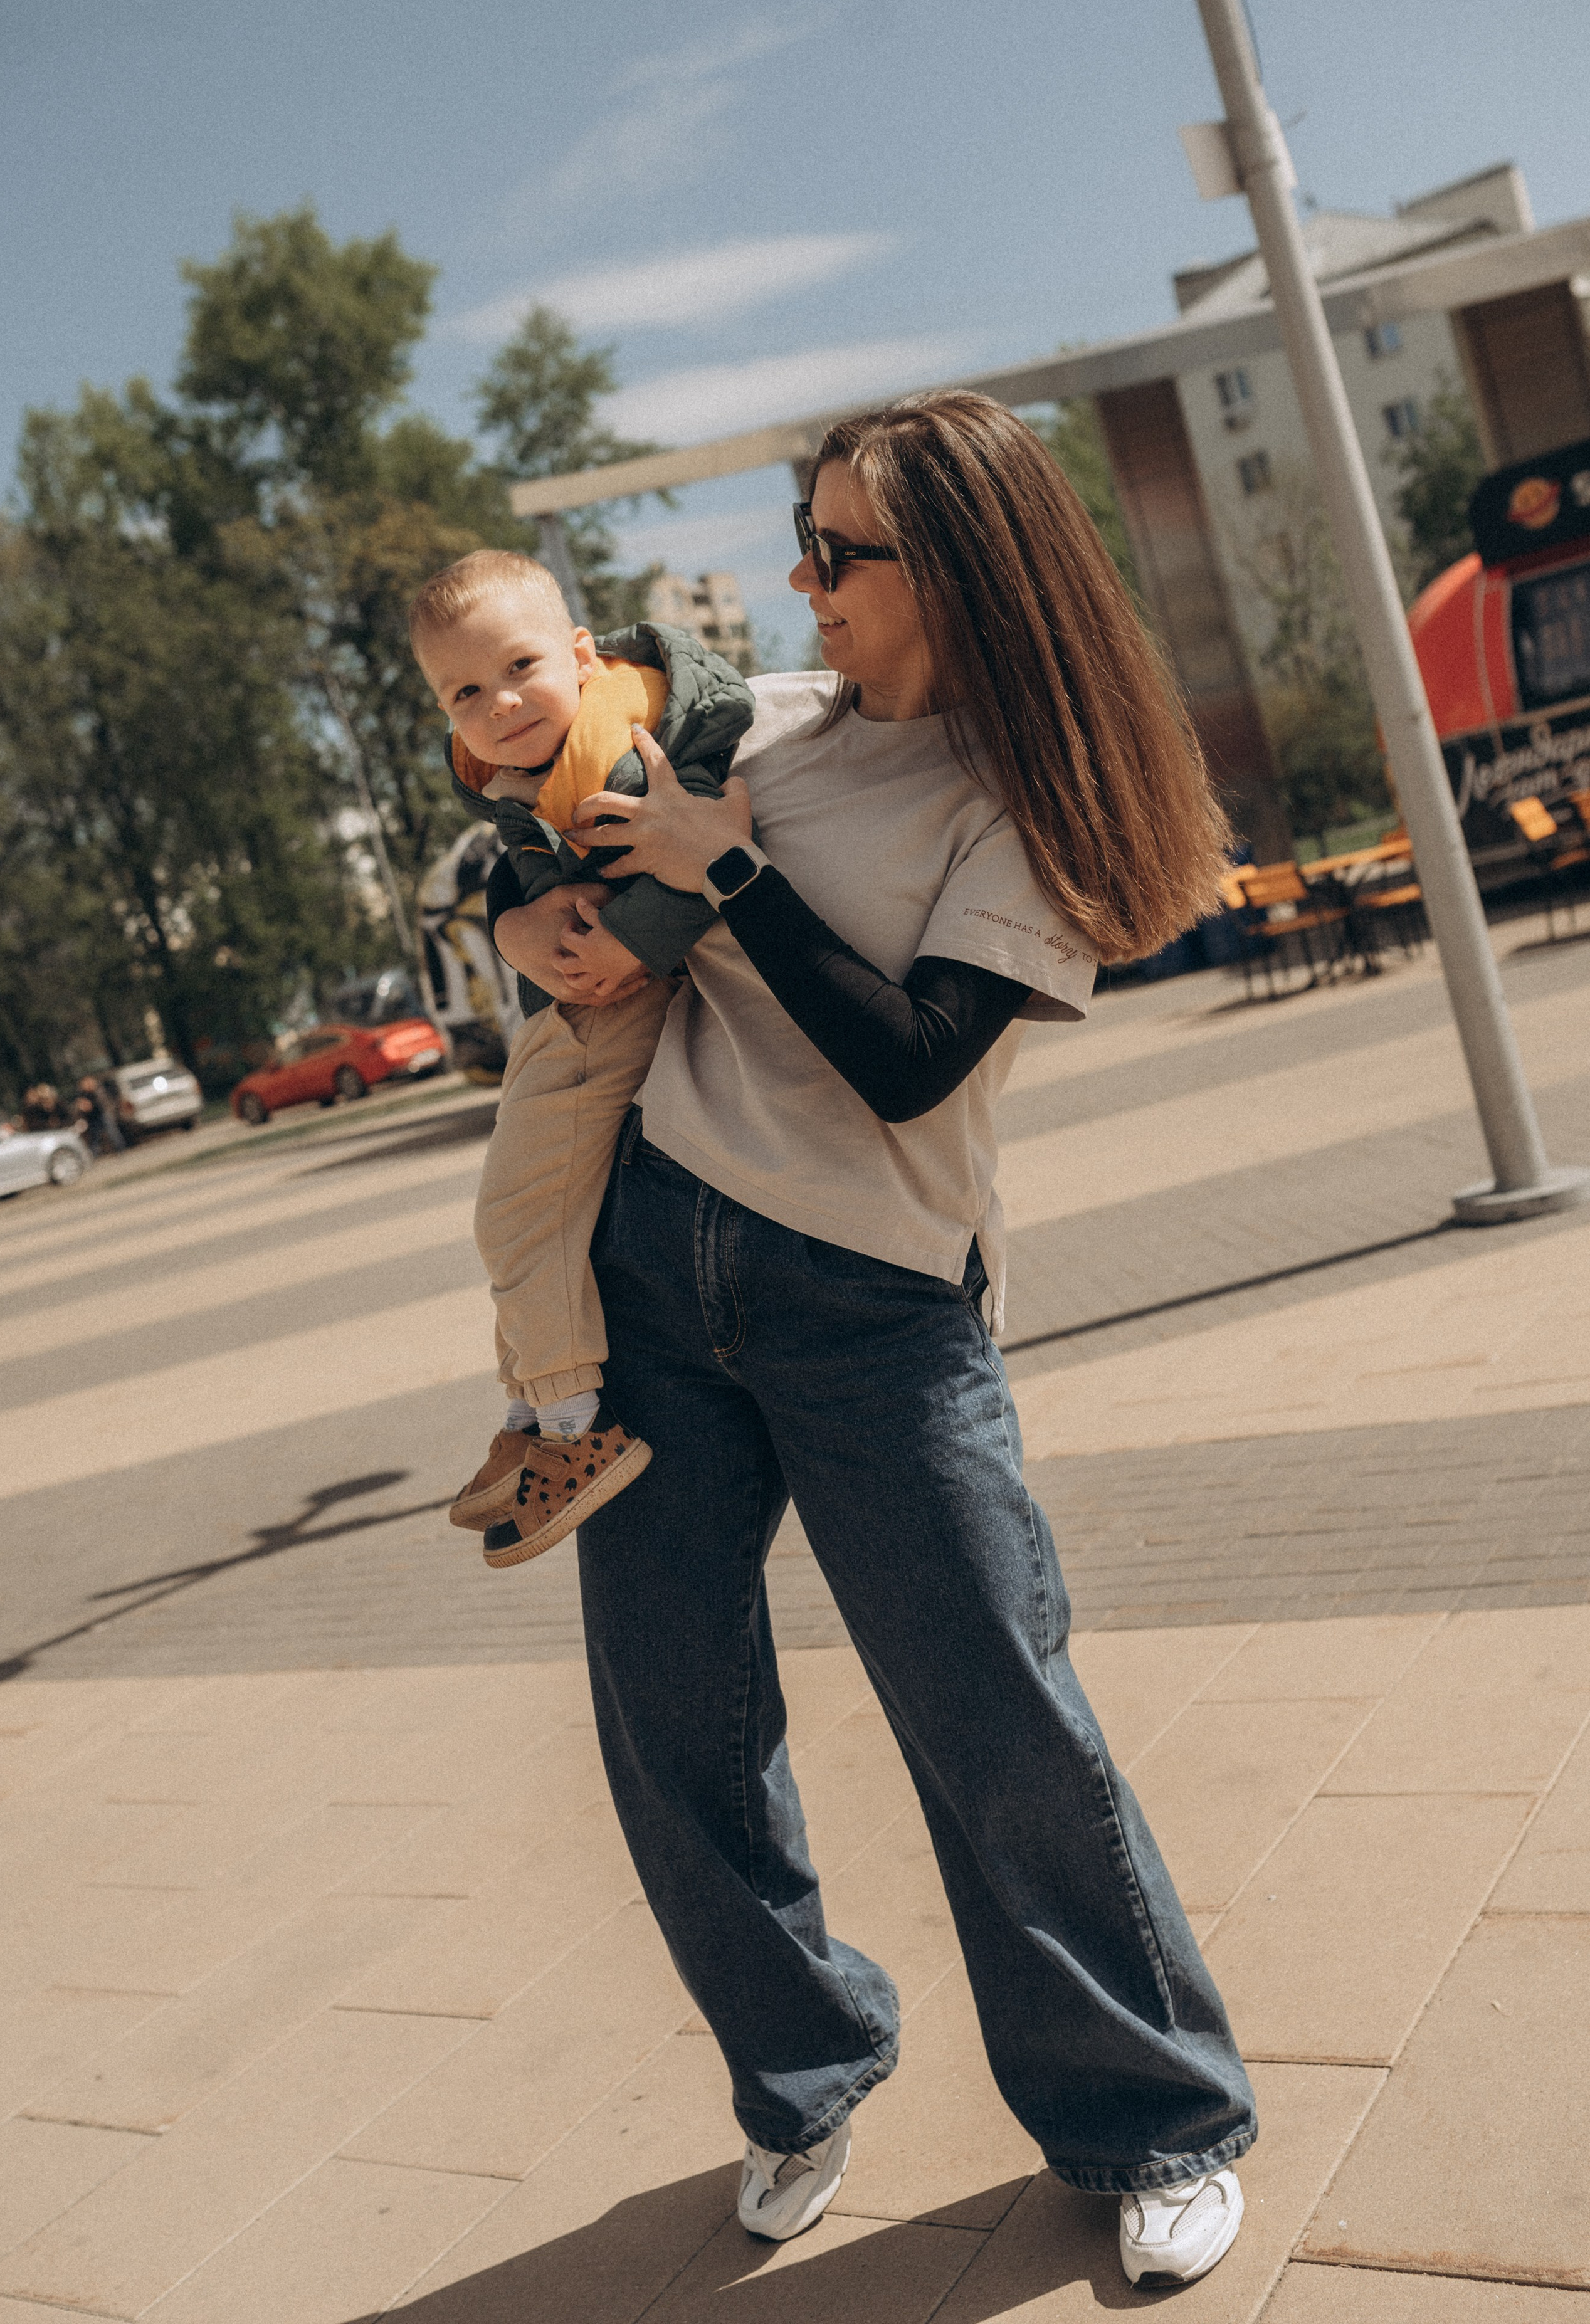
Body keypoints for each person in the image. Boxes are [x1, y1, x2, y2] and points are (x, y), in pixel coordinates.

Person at [492, 392, 1256, 2290]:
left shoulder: (1031, 799)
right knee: (673, 1727)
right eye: (805, 542)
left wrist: (730, 876)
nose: (803, 580)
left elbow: (914, 1066)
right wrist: (520, 914)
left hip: (876, 1301)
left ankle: (1154, 2116)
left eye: (842, 553)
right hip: (655, 1270)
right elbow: (535, 836)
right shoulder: (757, 724)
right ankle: (806, 2067)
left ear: (965, 572)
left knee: (994, 1718)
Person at [410, 550, 754, 1565]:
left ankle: (575, 1431)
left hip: (616, 998)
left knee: (519, 1209)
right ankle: (529, 1409)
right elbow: (525, 875)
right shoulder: (544, 764)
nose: (500, 702)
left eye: (518, 668)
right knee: (516, 1204)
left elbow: (704, 850)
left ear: (577, 652)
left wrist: (626, 940)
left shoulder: (634, 742)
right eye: (464, 692)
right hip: (578, 997)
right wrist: (518, 925)